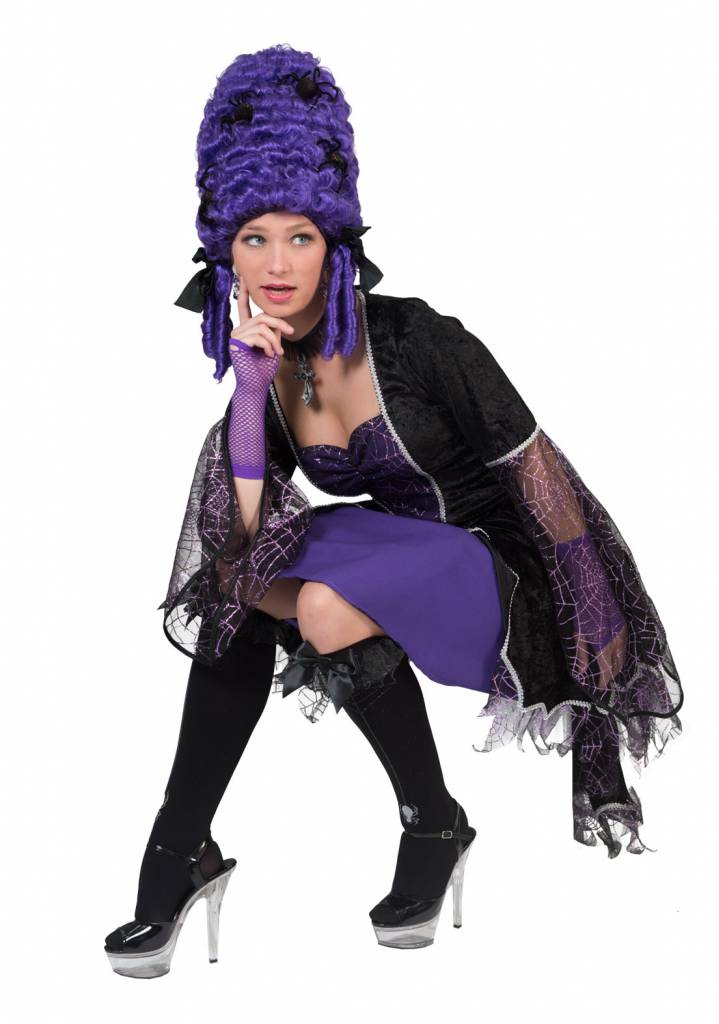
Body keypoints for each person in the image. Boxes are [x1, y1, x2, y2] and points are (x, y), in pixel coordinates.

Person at [104, 44, 684, 977]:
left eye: (300, 236)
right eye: (254, 238)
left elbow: (547, 486)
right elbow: (244, 530)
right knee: (238, 585)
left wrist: (595, 636)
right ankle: (181, 843)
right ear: (224, 252)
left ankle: (431, 820)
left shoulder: (419, 340)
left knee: (321, 602)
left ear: (335, 240)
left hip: (496, 564)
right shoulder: (268, 360)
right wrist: (247, 392)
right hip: (396, 554)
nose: (277, 264)